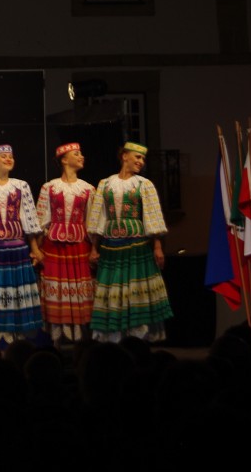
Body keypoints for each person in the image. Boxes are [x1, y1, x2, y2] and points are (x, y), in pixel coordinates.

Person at [87, 141, 173, 343]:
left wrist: (158, 246)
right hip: (111, 246)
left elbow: (153, 216)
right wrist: (93, 248)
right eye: (137, 157)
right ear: (124, 156)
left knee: (135, 292)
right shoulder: (105, 184)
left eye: (142, 159)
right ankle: (114, 339)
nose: (141, 162)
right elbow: (98, 218)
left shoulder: (144, 184)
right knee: (113, 290)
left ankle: (137, 338)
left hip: (137, 246)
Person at [0, 144, 43, 347]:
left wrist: (35, 249)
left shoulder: (20, 186)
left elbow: (29, 219)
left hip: (18, 250)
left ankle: (18, 343)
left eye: (11, 156)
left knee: (17, 294)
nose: (9, 159)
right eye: (4, 156)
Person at [36, 142, 96, 343]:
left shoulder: (87, 188)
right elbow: (41, 220)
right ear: (64, 159)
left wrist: (95, 248)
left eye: (81, 154)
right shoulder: (49, 187)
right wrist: (36, 249)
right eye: (76, 154)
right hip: (54, 246)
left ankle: (80, 340)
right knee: (57, 290)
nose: (82, 157)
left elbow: (92, 223)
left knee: (78, 290)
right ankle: (56, 341)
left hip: (79, 245)